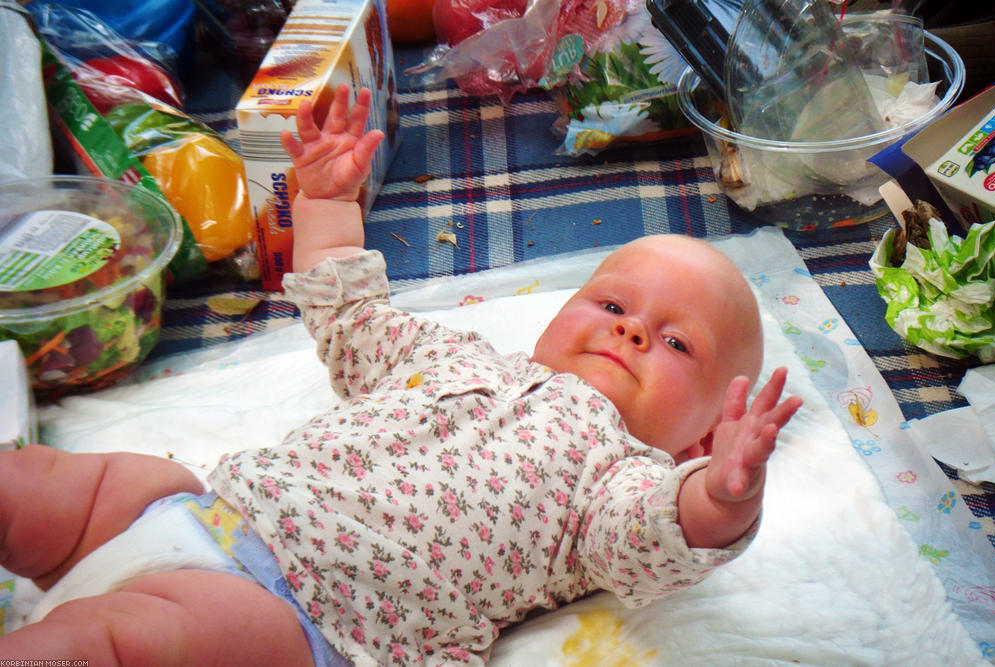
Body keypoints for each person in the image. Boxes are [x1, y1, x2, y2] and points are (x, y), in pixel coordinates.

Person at [0, 84, 802, 666]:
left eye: (676, 344)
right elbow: (351, 318)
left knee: (129, 642)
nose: (630, 329)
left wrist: (723, 493)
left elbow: (654, 540)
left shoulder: (620, 480)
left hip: (300, 614)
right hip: (211, 501)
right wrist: (324, 203)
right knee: (44, 482)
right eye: (614, 301)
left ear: (697, 434)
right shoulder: (455, 356)